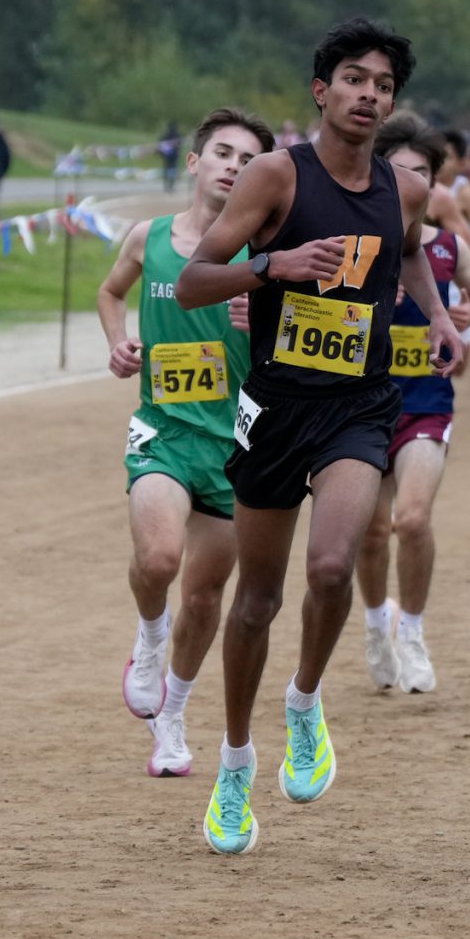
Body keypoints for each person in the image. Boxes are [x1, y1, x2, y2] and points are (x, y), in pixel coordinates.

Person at [175, 17, 464, 856]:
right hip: (274, 409)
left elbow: (408, 254)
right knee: (257, 600)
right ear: (321, 90)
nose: (369, 94)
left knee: (334, 565)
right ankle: (235, 765)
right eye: (354, 78)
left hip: (359, 407)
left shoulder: (403, 189)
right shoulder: (275, 177)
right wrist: (275, 267)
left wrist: (440, 319)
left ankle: (305, 702)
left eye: (383, 84)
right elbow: (195, 280)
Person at [97, 107, 275, 778]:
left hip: (235, 443)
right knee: (162, 558)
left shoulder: (263, 256)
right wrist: (119, 343)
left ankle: (171, 717)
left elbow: (298, 344)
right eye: (223, 153)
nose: (233, 165)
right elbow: (110, 293)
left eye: (248, 159)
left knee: (206, 599)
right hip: (165, 430)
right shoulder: (151, 238)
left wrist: (262, 316)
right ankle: (148, 636)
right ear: (196, 163)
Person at [356, 112, 470, 694]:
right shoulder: (359, 245)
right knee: (367, 533)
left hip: (427, 403)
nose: (411, 183)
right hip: (359, 406)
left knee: (410, 519)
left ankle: (410, 631)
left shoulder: (447, 248)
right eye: (399, 170)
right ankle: (373, 624)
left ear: (435, 184)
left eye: (423, 173)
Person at [157, 122, 183, 193]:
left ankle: (166, 186)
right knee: (172, 171)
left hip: (167, 157)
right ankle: (170, 186)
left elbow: (160, 145)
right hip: (174, 157)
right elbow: (179, 145)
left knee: (167, 171)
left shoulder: (165, 135)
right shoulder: (177, 135)